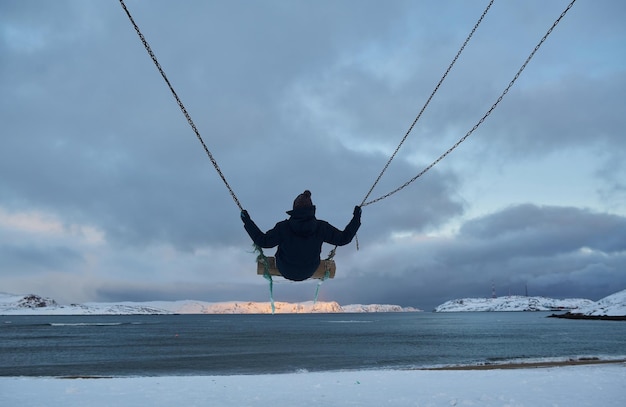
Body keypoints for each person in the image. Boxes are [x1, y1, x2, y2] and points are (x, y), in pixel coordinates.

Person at [240, 190, 361, 281]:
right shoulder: (321, 227)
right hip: (309, 270)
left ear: (294, 209)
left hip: (285, 269)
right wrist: (356, 218)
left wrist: (247, 221)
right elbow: (344, 238)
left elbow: (263, 241)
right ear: (312, 209)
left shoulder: (283, 227)